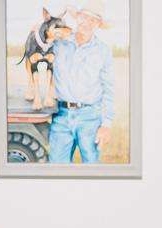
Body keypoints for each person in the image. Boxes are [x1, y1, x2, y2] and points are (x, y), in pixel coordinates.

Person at [48, 0, 115, 163]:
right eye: (84, 17)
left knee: (91, 169)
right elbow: (41, 36)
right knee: (56, 170)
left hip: (90, 118)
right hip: (61, 116)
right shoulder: (58, 43)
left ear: (98, 24)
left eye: (93, 20)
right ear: (77, 17)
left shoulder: (103, 51)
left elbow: (108, 89)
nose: (87, 23)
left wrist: (106, 125)